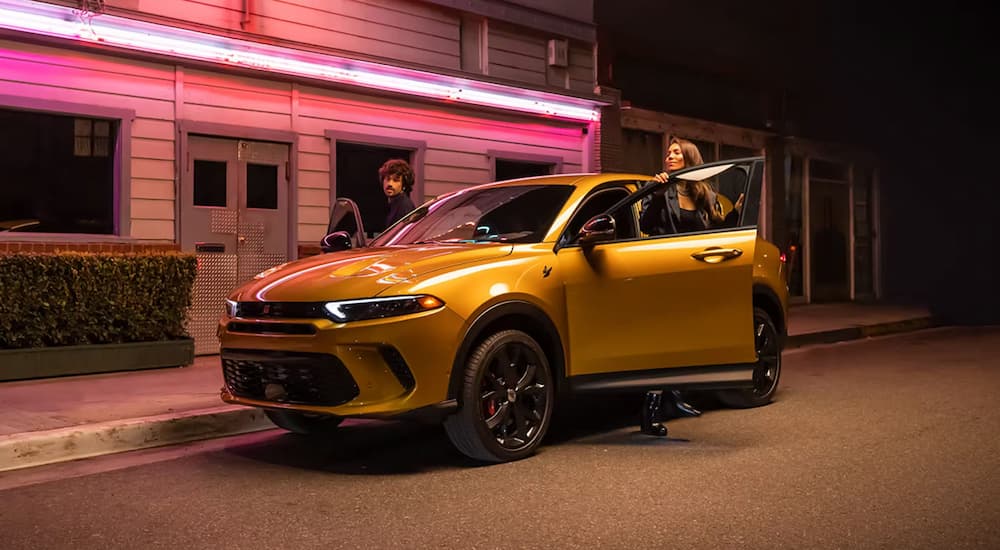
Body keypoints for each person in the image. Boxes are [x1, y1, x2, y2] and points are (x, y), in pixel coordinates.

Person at [638, 137, 744, 236]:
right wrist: (658, 196)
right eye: (668, 154)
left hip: (697, 249)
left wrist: (735, 212)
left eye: (676, 153)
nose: (670, 157)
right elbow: (645, 226)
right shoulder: (657, 187)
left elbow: (715, 233)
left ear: (690, 157)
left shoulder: (706, 194)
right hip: (667, 249)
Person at [379, 158, 416, 229]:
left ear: (404, 184)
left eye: (395, 180)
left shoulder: (404, 206)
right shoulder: (393, 203)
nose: (390, 184)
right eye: (388, 179)